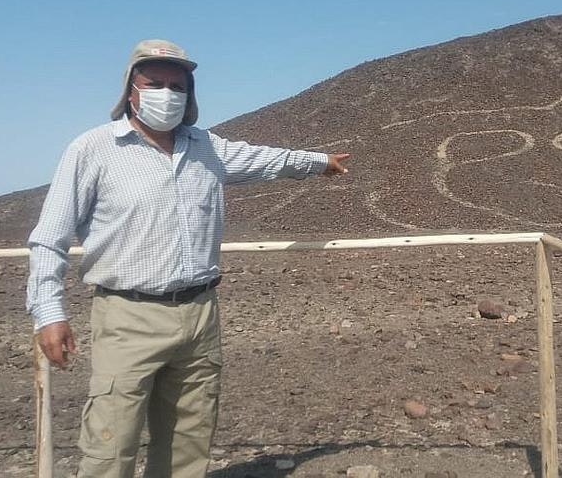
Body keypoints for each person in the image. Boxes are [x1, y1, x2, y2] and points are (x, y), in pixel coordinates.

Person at [26, 39, 351, 478]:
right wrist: (49, 313)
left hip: (200, 316)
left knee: (188, 441)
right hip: (126, 316)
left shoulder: (208, 149)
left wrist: (319, 162)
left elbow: (265, 160)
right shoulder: (93, 150)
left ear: (190, 94)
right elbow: (50, 237)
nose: (166, 93)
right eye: (154, 83)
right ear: (131, 90)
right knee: (111, 443)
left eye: (176, 86)